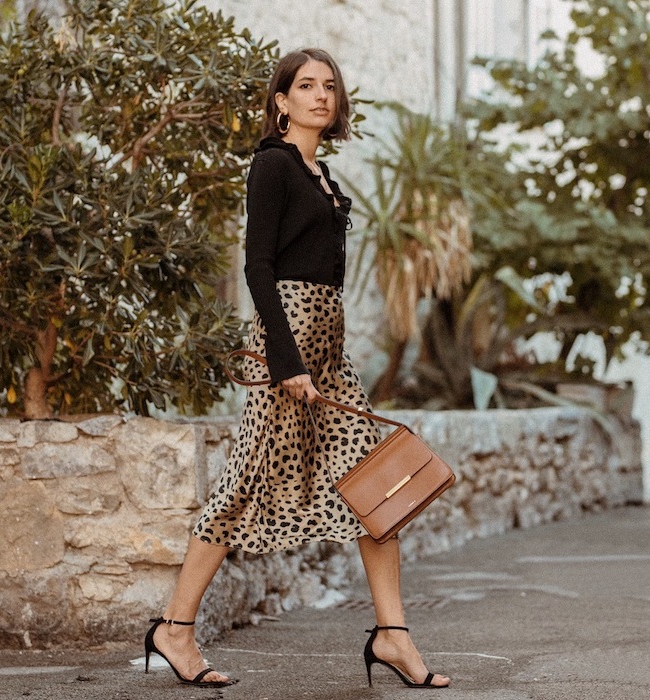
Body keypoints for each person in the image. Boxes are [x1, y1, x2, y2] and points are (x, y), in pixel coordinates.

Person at [144, 48, 451, 690]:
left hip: (328, 352)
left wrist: (322, 356)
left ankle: (393, 636)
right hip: (287, 349)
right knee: (243, 485)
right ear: (280, 100)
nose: (320, 96)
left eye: (329, 86)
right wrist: (286, 362)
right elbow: (258, 268)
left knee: (379, 488)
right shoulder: (273, 165)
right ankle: (174, 628)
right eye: (305, 86)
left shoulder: (321, 174)